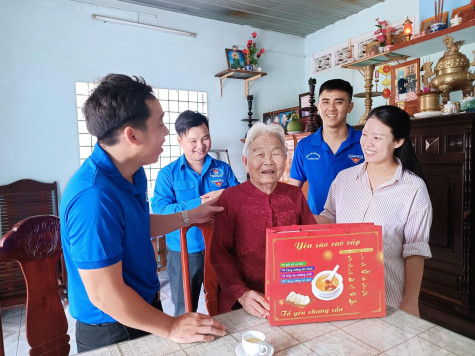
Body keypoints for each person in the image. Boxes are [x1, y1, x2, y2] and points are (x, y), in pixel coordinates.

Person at [60, 74, 226, 352]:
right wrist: (171, 326)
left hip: (141, 307)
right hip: (113, 326)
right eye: (160, 123)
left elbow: (137, 225)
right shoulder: (93, 198)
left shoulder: (130, 174)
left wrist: (190, 215)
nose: (165, 133)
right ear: (132, 135)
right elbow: (105, 296)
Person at [316, 105, 432, 317]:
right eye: (365, 134)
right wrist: (295, 214)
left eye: (377, 138)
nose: (367, 143)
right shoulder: (344, 179)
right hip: (340, 288)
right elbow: (329, 218)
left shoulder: (413, 188)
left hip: (387, 297)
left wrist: (410, 302)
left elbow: (415, 251)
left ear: (398, 141)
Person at [210, 123, 316, 318]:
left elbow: (313, 243)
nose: (268, 161)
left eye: (276, 154)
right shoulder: (230, 198)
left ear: (285, 160)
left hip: (292, 294)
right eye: (259, 154)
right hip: (244, 299)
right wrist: (241, 294)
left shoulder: (295, 195)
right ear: (245, 161)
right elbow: (220, 254)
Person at [151, 110, 239, 316]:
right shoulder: (168, 175)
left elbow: (238, 199)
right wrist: (199, 202)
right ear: (180, 140)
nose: (200, 145)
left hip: (219, 248)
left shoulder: (223, 169)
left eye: (205, 138)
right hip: (183, 251)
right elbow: (161, 210)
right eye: (193, 140)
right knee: (184, 308)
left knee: (222, 304)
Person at [289, 79, 364, 214]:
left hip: (356, 224)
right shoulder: (304, 146)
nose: (331, 108)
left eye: (339, 102)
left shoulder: (365, 142)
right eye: (326, 101)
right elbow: (293, 191)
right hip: (317, 225)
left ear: (350, 106)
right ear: (318, 106)